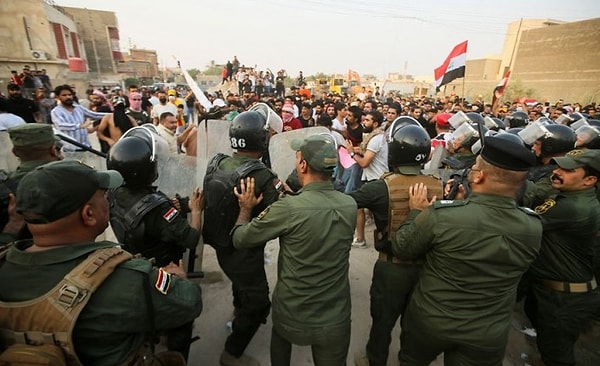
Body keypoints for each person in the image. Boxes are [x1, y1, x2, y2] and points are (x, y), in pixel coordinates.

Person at [0, 160, 203, 365]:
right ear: (88, 215)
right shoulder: (127, 279)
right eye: (104, 196)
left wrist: (11, 229)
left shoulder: (4, 265)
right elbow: (190, 302)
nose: (109, 199)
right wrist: (178, 278)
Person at [392, 136, 542, 365]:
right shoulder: (533, 226)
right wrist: (462, 205)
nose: (471, 170)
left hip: (432, 321)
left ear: (479, 176)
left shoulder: (442, 216)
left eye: (474, 167)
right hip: (487, 331)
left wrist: (416, 212)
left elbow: (403, 248)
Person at [232, 134, 357, 366]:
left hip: (291, 314)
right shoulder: (349, 205)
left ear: (302, 165)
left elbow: (240, 239)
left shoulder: (288, 208)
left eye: (297, 157)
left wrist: (245, 209)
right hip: (335, 317)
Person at [350, 125, 442, 366]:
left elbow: (347, 202)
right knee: (414, 322)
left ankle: (375, 360)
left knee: (382, 320)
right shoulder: (438, 184)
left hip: (392, 268)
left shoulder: (382, 186)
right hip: (427, 270)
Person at [203, 110, 280, 366]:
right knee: (258, 304)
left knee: (240, 284)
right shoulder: (263, 176)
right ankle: (231, 353)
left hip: (220, 246)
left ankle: (238, 311)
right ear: (262, 140)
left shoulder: (216, 162)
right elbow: (281, 212)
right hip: (245, 253)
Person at [525, 149, 600, 366]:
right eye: (559, 167)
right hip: (555, 291)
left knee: (557, 354)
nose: (557, 172)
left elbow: (525, 224)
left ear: (590, 180)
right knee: (550, 346)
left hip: (564, 299)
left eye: (568, 170)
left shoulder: (575, 207)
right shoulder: (567, 196)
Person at [0, 124, 62, 244]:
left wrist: (13, 226)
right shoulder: (74, 179)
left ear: (14, 152)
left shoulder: (6, 189)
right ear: (53, 150)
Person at [345, 110, 388, 248]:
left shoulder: (376, 139)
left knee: (374, 213)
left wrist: (351, 153)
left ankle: (364, 239)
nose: (364, 122)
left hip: (376, 180)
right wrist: (354, 149)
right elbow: (364, 150)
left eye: (368, 120)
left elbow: (364, 162)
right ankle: (360, 238)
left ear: (375, 123)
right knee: (361, 208)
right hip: (372, 178)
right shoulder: (374, 137)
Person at [50, 85, 108, 151]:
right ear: (58, 97)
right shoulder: (56, 111)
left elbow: (94, 115)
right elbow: (61, 125)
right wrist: (80, 126)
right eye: (64, 95)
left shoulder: (78, 108)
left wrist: (114, 114)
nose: (68, 97)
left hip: (86, 146)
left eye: (69, 95)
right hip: (70, 148)